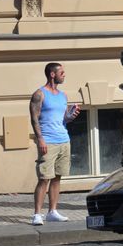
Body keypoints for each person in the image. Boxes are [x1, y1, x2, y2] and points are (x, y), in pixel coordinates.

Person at [29, 62, 80, 226]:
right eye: (62, 72)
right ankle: (37, 214)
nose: (64, 75)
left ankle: (52, 211)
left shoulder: (63, 95)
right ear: (52, 74)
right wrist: (40, 139)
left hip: (64, 140)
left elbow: (63, 119)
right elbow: (34, 119)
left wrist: (71, 115)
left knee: (57, 177)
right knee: (44, 178)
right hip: (48, 141)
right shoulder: (39, 94)